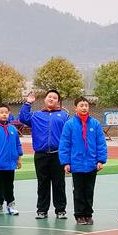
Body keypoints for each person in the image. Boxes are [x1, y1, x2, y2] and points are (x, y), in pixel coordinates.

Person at [18, 89, 70, 220]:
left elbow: (69, 136)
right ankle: (42, 210)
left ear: (58, 101)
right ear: (45, 99)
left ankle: (60, 210)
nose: (51, 99)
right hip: (41, 155)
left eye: (54, 97)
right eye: (49, 97)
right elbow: (23, 118)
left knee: (59, 183)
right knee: (42, 183)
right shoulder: (36, 115)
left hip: (58, 154)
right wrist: (28, 103)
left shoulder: (64, 116)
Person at [59, 96, 107, 225]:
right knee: (78, 191)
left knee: (89, 190)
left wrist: (101, 160)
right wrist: (66, 162)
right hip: (76, 163)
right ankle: (79, 215)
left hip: (92, 164)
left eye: (86, 105)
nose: (84, 107)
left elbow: (101, 143)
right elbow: (64, 144)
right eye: (81, 105)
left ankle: (88, 214)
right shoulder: (69, 124)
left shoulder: (95, 124)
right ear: (76, 108)